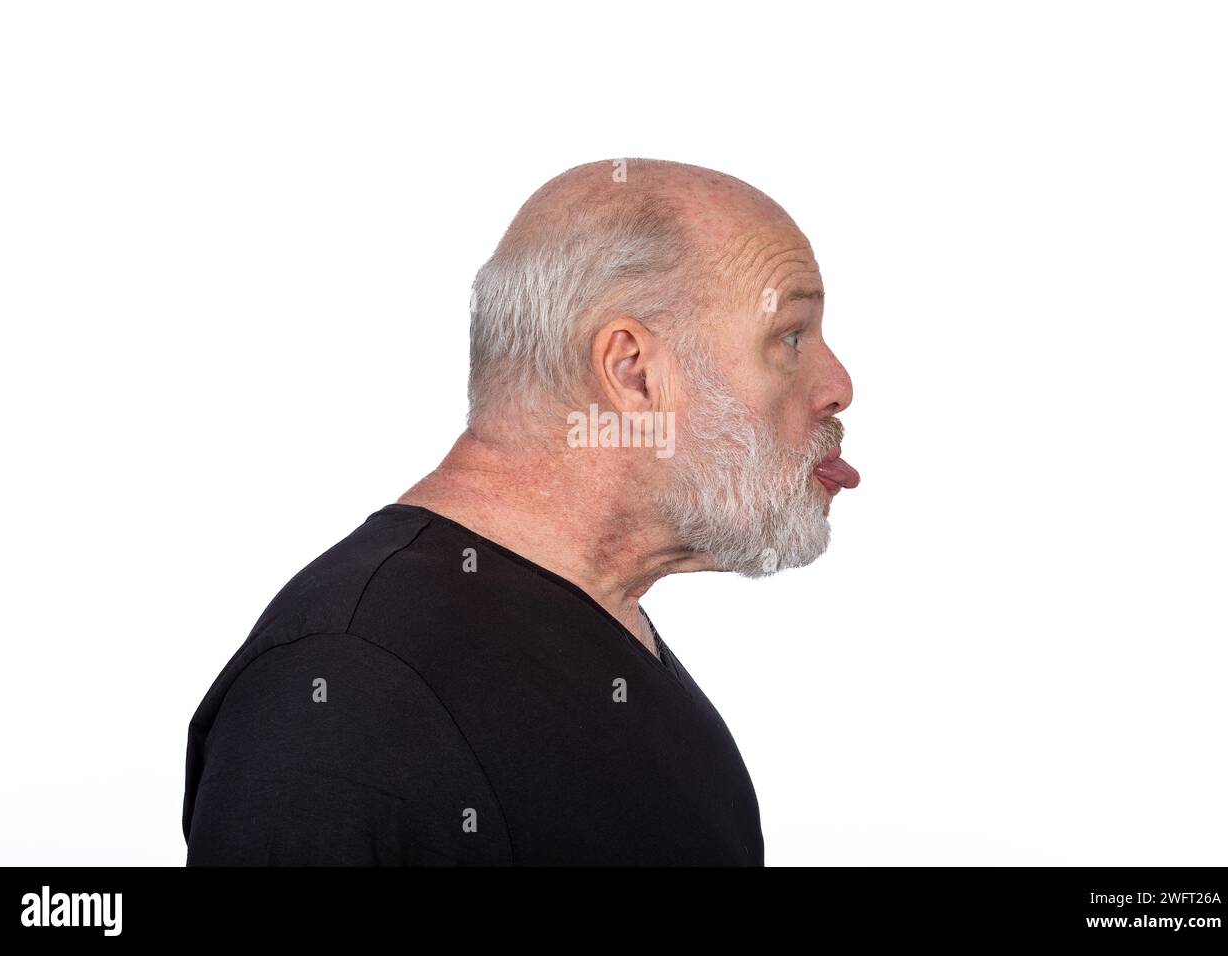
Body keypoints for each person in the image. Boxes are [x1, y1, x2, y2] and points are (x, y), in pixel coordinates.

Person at [182, 158, 859, 865]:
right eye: (790, 337)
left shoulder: (615, 643)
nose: (839, 385)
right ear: (633, 370)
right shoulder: (345, 690)